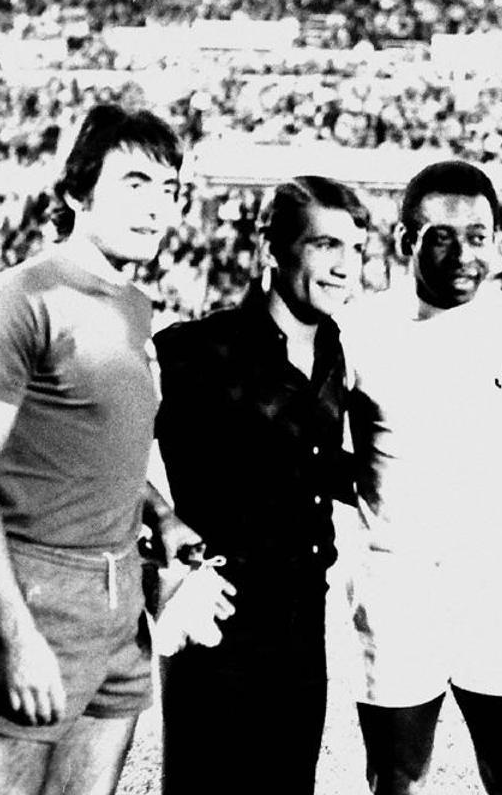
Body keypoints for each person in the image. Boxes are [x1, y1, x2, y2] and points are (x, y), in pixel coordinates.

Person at [0, 104, 206, 795]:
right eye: (134, 184)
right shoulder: (19, 298)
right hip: (37, 590)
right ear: (76, 191)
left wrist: (160, 514)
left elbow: (93, 443)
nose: (156, 208)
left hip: (123, 595)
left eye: (168, 189)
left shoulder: (135, 304)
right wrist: (15, 635)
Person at [342, 160, 502, 795]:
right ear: (404, 241)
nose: (464, 254)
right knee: (397, 778)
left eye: (478, 235)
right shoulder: (359, 331)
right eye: (441, 236)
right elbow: (320, 453)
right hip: (398, 584)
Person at [153, 176, 368, 794]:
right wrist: (161, 517)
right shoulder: (195, 349)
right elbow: (99, 446)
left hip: (303, 618)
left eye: (355, 249)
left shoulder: (336, 349)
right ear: (272, 247)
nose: (345, 267)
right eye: (325, 246)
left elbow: (310, 463)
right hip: (218, 614)